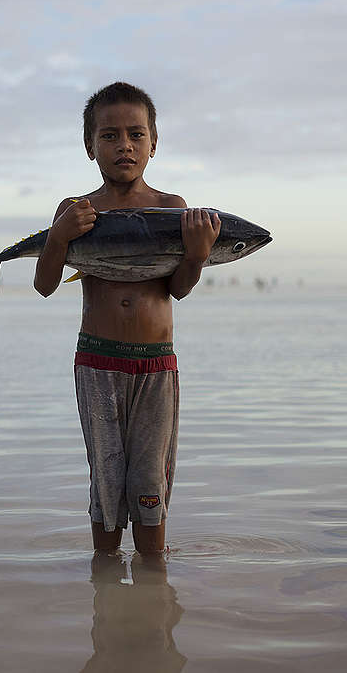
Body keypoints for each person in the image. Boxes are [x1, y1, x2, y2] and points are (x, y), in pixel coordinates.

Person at [34, 82, 220, 554]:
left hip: (156, 366)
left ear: (154, 143)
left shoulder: (173, 209)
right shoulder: (77, 211)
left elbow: (175, 289)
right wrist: (57, 238)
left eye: (136, 134)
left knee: (149, 478)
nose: (125, 145)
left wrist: (196, 255)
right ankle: (106, 578)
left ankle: (152, 592)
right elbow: (44, 284)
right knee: (106, 477)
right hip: (97, 363)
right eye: (110, 135)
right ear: (89, 145)